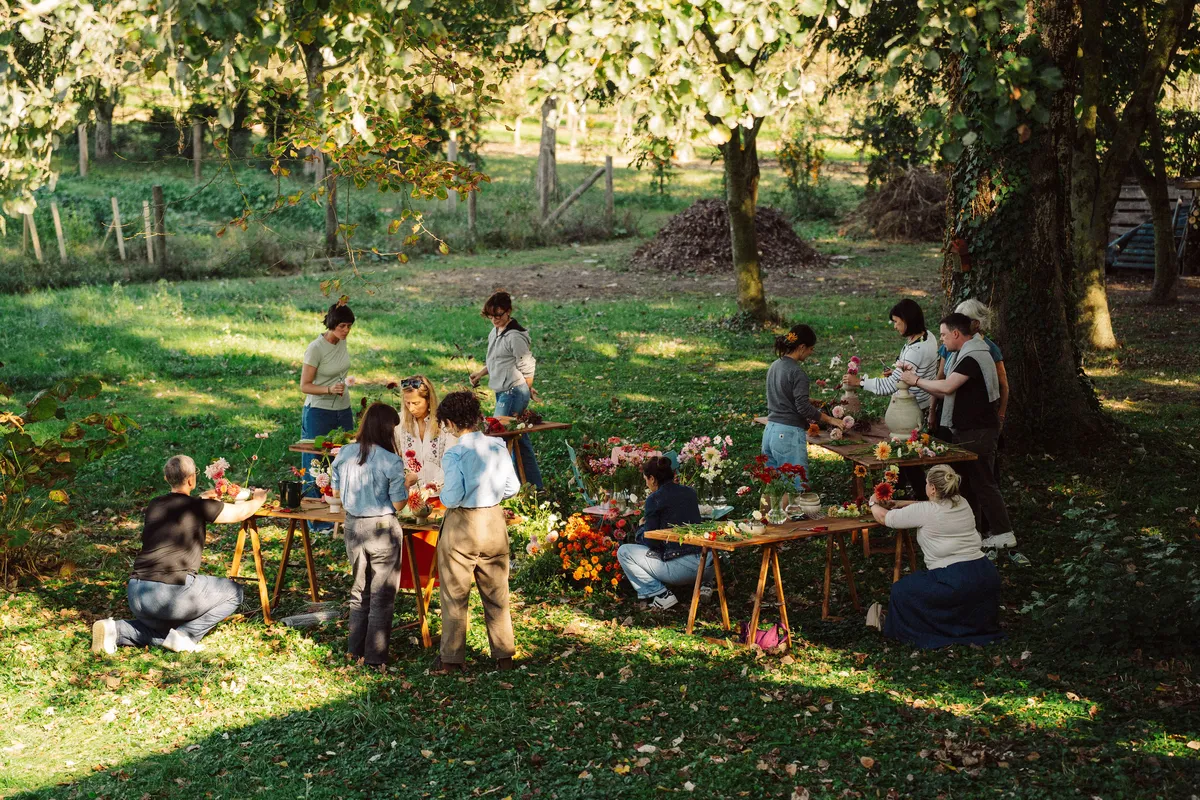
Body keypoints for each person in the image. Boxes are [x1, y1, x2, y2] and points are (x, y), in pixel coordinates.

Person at [91, 456, 268, 655]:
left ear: (167, 478)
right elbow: (239, 513)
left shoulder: (155, 504)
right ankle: (186, 636)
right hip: (168, 596)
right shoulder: (197, 507)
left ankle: (117, 629)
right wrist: (259, 499)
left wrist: (202, 501)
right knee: (234, 592)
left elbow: (182, 509)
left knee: (165, 632)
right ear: (191, 479)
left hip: (137, 593)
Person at [899, 314, 1023, 558]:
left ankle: (1003, 533)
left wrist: (915, 380)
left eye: (944, 334)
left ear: (956, 334)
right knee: (969, 484)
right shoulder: (968, 354)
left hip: (978, 432)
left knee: (984, 483)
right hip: (969, 431)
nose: (942, 340)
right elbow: (949, 391)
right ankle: (972, 532)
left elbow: (946, 387)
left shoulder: (973, 357)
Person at [865, 465, 1004, 649]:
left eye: (926, 483)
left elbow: (884, 518)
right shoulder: (962, 502)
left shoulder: (927, 511)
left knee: (901, 591)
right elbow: (925, 507)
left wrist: (873, 503)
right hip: (985, 576)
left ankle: (906, 627)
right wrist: (899, 503)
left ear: (932, 488)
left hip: (955, 580)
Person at [433, 390, 522, 673]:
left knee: (455, 595)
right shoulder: (497, 446)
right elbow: (513, 488)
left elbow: (454, 496)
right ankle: (504, 655)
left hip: (462, 525)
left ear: (450, 423)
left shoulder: (455, 452)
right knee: (497, 592)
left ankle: (451, 659)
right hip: (494, 521)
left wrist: (441, 494)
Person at [330, 403, 409, 669]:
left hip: (353, 526)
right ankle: (375, 658)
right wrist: (406, 484)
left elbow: (337, 492)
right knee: (382, 595)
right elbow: (398, 505)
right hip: (382, 528)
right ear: (387, 430)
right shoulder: (391, 460)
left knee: (359, 590)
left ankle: (354, 650)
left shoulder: (345, 453)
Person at [843, 298, 938, 500]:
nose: (895, 326)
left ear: (907, 320)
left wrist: (859, 382)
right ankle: (900, 495)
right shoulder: (927, 337)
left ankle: (915, 498)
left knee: (905, 456)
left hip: (909, 409)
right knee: (904, 457)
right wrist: (896, 372)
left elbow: (889, 387)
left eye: (896, 321)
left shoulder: (916, 350)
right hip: (918, 404)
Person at [616, 456, 713, 611]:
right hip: (707, 561)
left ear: (652, 479)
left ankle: (661, 595)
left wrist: (641, 529)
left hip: (682, 569)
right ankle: (706, 584)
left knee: (624, 551)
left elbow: (652, 542)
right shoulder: (690, 492)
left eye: (646, 480)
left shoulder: (654, 499)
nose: (646, 484)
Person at [468, 290, 542, 489]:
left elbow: (527, 365)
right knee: (519, 439)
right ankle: (534, 487)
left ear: (509, 311)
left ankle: (499, 487)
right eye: (491, 316)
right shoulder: (496, 331)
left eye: (498, 315)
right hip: (502, 390)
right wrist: (481, 373)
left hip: (513, 391)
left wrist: (526, 390)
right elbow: (497, 359)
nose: (494, 320)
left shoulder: (515, 336)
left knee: (496, 436)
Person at [763, 324, 846, 489]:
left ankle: (767, 515)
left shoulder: (775, 365)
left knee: (773, 488)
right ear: (801, 347)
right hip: (787, 435)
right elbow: (803, 408)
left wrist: (808, 399)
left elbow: (783, 395)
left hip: (770, 431)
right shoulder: (797, 372)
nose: (811, 353)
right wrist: (831, 419)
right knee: (794, 487)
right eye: (811, 349)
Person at [300, 301, 356, 530]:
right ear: (332, 324)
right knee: (317, 464)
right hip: (319, 410)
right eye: (342, 326)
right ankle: (316, 520)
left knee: (344, 460)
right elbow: (305, 385)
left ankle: (340, 515)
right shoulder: (316, 348)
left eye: (349, 326)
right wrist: (329, 389)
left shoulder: (342, 342)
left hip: (343, 409)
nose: (346, 331)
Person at [928, 299, 1009, 435]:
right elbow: (941, 377)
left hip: (976, 420)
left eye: (963, 319)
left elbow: (1003, 385)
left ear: (976, 323)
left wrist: (1001, 416)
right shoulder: (948, 346)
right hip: (948, 407)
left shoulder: (987, 350)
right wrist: (932, 410)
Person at [393, 375, 458, 488]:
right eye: (407, 403)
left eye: (416, 403)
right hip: (410, 493)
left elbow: (451, 462)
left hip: (440, 492)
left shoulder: (444, 423)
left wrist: (433, 486)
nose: (411, 408)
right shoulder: (399, 423)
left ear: (428, 400)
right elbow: (393, 458)